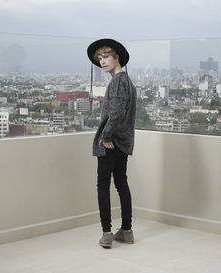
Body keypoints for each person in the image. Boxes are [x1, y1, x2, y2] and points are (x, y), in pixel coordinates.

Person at [87, 39, 137, 249]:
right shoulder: (129, 82)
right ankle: (126, 231)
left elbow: (116, 113)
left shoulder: (117, 81)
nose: (101, 61)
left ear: (117, 57)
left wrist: (106, 137)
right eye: (99, 58)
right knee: (121, 184)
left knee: (103, 185)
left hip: (111, 143)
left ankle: (107, 233)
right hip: (123, 143)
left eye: (105, 56)